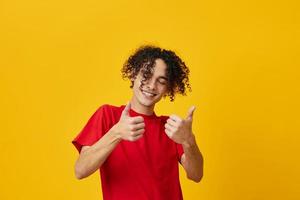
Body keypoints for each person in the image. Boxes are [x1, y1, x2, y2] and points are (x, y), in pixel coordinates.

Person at [72, 45, 204, 200]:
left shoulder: (171, 128)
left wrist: (189, 141)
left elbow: (196, 175)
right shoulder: (108, 115)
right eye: (146, 75)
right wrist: (117, 133)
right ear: (134, 75)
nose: (151, 85)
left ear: (168, 88)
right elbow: (80, 170)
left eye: (161, 81)